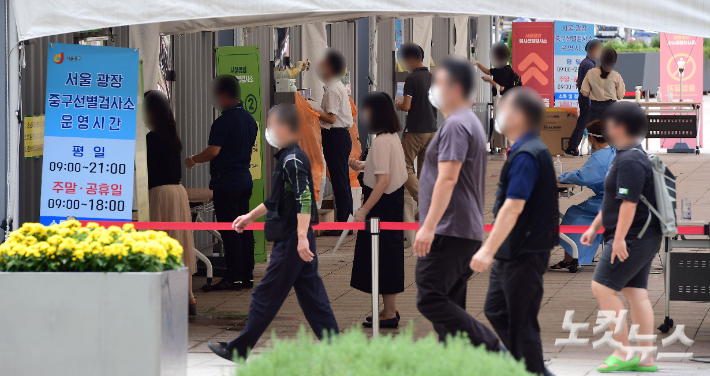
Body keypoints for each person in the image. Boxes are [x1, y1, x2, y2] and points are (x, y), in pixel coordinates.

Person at [207, 104, 339, 361]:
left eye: (270, 125)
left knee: (264, 295)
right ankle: (339, 351)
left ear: (284, 127)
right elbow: (275, 200)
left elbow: (304, 198)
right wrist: (248, 217)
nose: (267, 130)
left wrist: (301, 238)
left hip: (291, 240)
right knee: (314, 300)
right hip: (295, 238)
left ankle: (239, 349)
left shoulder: (292, 160)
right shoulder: (289, 158)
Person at [413, 56, 501, 352]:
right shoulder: (467, 123)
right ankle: (457, 363)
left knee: (431, 298)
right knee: (449, 304)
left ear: (456, 88)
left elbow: (447, 179)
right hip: (460, 229)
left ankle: (494, 350)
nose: (433, 88)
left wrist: (427, 227)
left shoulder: (456, 126)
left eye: (439, 83)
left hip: (449, 229)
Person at [470, 87, 559, 376]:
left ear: (519, 116)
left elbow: (513, 207)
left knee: (522, 322)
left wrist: (487, 248)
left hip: (524, 251)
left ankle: (533, 371)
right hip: (513, 250)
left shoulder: (526, 155)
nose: (499, 112)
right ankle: (523, 364)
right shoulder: (523, 149)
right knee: (496, 309)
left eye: (504, 107)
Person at [580, 102, 660, 373]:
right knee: (635, 293)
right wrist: (594, 227)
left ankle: (623, 352)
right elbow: (613, 200)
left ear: (622, 127)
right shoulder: (628, 154)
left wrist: (620, 239)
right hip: (642, 234)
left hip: (633, 236)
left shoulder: (629, 160)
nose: (606, 128)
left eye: (610, 123)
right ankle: (646, 358)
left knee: (602, 287)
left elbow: (628, 203)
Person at [185, 75, 257, 291]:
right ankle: (246, 275)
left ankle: (233, 276)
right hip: (244, 180)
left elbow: (214, 151)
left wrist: (193, 160)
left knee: (230, 230)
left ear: (224, 95)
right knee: (244, 228)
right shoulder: (249, 120)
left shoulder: (224, 121)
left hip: (226, 182)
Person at [348, 92, 407, 328]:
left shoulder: (382, 141)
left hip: (382, 206)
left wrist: (363, 210)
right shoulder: (391, 137)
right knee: (387, 257)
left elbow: (382, 181)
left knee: (381, 258)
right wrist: (363, 165)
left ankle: (389, 312)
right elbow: (385, 169)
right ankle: (388, 310)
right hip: (392, 203)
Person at [144, 90, 198, 315]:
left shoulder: (151, 139)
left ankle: (165, 298)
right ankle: (188, 297)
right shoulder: (172, 136)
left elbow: (148, 171)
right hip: (178, 193)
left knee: (162, 245)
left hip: (159, 194)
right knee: (180, 244)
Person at [551, 120, 616, 271]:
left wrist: (561, 177)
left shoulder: (600, 158)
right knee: (580, 212)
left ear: (591, 138)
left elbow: (583, 177)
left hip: (609, 203)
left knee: (574, 214)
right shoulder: (614, 151)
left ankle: (571, 258)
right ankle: (578, 255)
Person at [313, 48, 354, 235]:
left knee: (339, 181)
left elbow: (330, 118)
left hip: (335, 136)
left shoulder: (332, 89)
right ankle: (347, 222)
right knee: (342, 179)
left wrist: (312, 109)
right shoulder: (337, 86)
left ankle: (344, 224)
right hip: (340, 137)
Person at [395, 42, 438, 204]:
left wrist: (398, 105)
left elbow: (406, 106)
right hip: (432, 130)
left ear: (411, 59)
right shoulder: (433, 78)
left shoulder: (411, 79)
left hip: (415, 130)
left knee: (403, 166)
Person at [565, 39, 602, 156]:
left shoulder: (587, 63)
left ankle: (579, 147)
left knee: (585, 123)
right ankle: (572, 147)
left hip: (585, 98)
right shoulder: (588, 65)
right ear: (593, 50)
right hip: (587, 99)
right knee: (583, 123)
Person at [580, 46, 625, 123]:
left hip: (595, 108)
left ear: (601, 59)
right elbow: (620, 95)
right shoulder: (616, 75)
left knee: (594, 132)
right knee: (609, 133)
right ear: (615, 61)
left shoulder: (591, 72)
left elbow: (584, 91)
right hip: (611, 109)